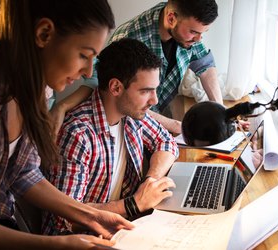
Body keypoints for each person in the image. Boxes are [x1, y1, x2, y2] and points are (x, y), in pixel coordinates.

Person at [0, 0, 134, 249]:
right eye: (84, 55)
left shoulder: (34, 83)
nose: (89, 72)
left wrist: (90, 215)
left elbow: (22, 172)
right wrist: (57, 244)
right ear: (44, 34)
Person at [42, 38, 179, 235]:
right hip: (82, 240)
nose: (154, 99)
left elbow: (165, 142)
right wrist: (134, 204)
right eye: (145, 91)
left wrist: (151, 180)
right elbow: (66, 219)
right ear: (115, 87)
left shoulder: (132, 116)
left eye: (155, 89)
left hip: (122, 229)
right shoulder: (78, 134)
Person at [51, 0, 224, 135]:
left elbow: (204, 63)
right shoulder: (130, 38)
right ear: (171, 18)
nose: (199, 39)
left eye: (203, 33)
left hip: (152, 119)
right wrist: (174, 124)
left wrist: (222, 114)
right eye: (194, 32)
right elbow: (102, 86)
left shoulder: (184, 25)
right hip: (131, 120)